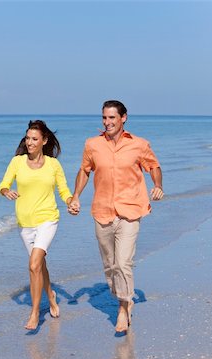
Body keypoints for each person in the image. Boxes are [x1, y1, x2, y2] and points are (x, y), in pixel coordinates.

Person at [68, 100, 164, 333]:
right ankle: (124, 296)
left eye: (112, 118)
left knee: (123, 262)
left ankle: (123, 307)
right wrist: (75, 196)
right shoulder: (92, 144)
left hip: (130, 209)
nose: (107, 122)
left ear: (124, 118)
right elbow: (84, 170)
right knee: (110, 265)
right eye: (104, 118)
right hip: (102, 211)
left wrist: (158, 185)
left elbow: (154, 166)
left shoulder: (139, 144)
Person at [0, 120, 73, 330]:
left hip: (48, 219)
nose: (29, 142)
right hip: (25, 223)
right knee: (39, 265)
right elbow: (3, 184)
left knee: (33, 265)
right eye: (28, 138)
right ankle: (50, 295)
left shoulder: (53, 164)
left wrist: (70, 202)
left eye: (34, 139)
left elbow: (64, 191)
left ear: (44, 141)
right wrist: (6, 192)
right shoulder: (17, 162)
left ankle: (34, 314)